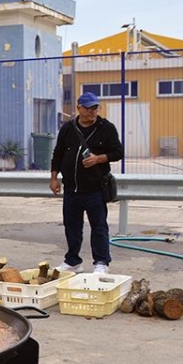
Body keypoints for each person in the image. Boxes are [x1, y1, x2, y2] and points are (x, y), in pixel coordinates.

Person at [50, 92, 125, 275]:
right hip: (71, 189)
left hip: (95, 189)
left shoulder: (106, 128)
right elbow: (58, 153)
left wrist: (98, 158)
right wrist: (53, 178)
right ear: (79, 108)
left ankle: (101, 262)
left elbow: (118, 152)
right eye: (88, 108)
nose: (92, 112)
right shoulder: (68, 129)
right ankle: (73, 261)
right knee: (72, 226)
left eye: (95, 108)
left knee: (98, 226)